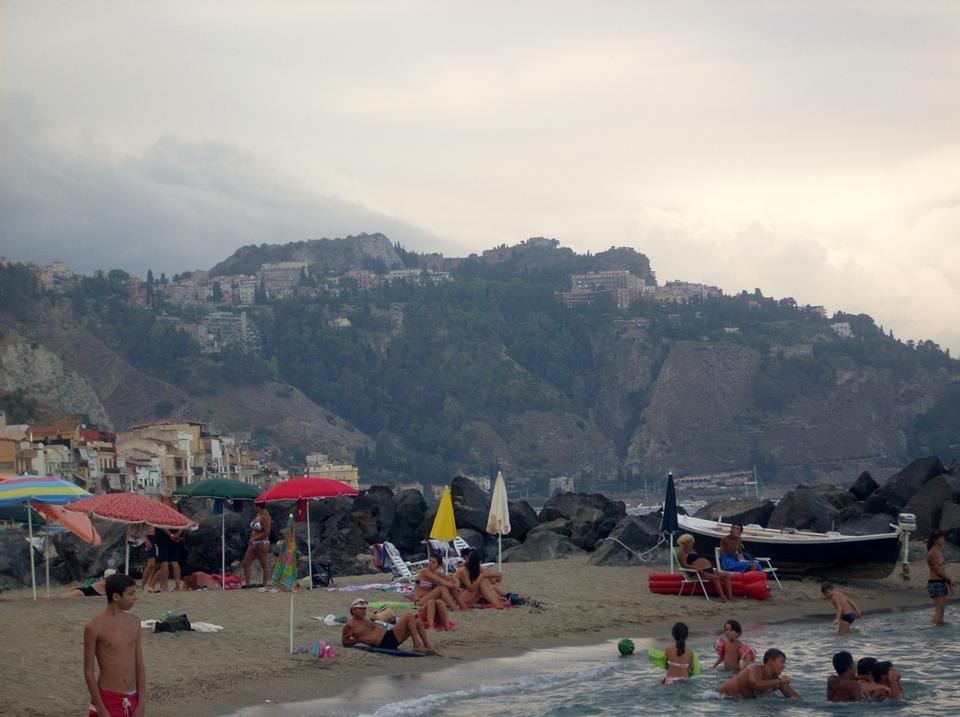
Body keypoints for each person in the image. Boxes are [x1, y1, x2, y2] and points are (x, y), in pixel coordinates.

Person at [83, 573, 145, 717]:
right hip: (108, 696)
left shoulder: (135, 621)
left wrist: (141, 703)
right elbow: (88, 671)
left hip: (133, 695)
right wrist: (101, 708)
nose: (136, 597)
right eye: (131, 594)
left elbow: (139, 663)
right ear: (116, 597)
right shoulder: (94, 627)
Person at [341, 598, 437, 654]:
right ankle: (417, 645)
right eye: (360, 609)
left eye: (364, 609)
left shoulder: (366, 621)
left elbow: (375, 627)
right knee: (409, 615)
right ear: (353, 610)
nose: (363, 611)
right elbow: (345, 642)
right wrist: (358, 640)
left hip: (389, 635)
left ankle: (428, 647)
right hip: (384, 642)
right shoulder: (349, 626)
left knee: (417, 621)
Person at [718, 648, 801, 699]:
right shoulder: (754, 668)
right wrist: (780, 681)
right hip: (722, 696)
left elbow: (795, 699)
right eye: (781, 662)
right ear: (770, 661)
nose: (783, 666)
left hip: (741, 702)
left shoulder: (776, 680)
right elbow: (756, 683)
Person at [677, 534, 734, 602]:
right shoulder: (682, 552)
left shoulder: (692, 550)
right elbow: (684, 565)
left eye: (691, 541)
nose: (691, 543)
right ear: (683, 542)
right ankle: (723, 598)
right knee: (715, 578)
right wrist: (695, 567)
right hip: (697, 572)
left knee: (727, 575)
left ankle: (730, 597)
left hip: (707, 570)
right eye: (689, 541)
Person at [151, 491, 184, 592]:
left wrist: (171, 534)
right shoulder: (177, 508)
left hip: (163, 537)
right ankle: (178, 585)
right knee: (174, 561)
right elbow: (183, 522)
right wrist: (177, 534)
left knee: (164, 562)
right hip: (175, 536)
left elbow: (160, 524)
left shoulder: (160, 508)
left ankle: (164, 586)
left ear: (162, 498)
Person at [242, 502, 272, 587]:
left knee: (264, 563)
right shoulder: (258, 515)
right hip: (253, 542)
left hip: (262, 542)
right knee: (246, 563)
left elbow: (267, 533)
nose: (253, 507)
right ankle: (248, 584)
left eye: (254, 506)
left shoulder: (266, 516)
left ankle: (264, 584)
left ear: (258, 506)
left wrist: (255, 538)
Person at [927, 529, 952, 626]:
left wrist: (948, 583)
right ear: (935, 540)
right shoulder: (933, 553)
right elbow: (939, 571)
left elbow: (941, 570)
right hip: (936, 582)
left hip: (941, 582)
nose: (943, 540)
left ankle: (938, 632)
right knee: (939, 611)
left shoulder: (938, 552)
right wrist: (949, 579)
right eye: (941, 538)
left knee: (941, 611)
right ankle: (937, 633)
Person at [126, 524, 156, 593]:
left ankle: (149, 585)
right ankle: (143, 585)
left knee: (154, 564)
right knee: (152, 564)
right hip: (148, 536)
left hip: (153, 535)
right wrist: (146, 539)